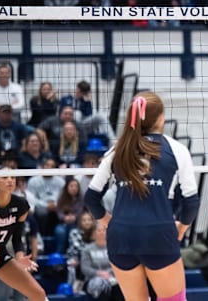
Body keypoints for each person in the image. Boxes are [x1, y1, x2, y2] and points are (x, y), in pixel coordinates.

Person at [84, 92, 200, 301]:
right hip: (158, 234)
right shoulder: (177, 150)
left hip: (121, 237)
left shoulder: (117, 150)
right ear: (160, 118)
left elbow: (91, 198)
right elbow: (191, 202)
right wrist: (181, 229)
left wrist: (110, 222)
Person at [0, 164, 46, 301]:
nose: (10, 180)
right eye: (4, 177)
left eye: (13, 177)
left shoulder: (21, 205)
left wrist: (19, 257)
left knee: (38, 294)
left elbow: (17, 238)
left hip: (0, 255)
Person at [80, 222, 124, 300]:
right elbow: (85, 268)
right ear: (93, 234)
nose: (101, 233)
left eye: (104, 230)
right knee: (102, 286)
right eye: (98, 230)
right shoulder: (86, 249)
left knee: (119, 287)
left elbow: (118, 264)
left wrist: (108, 273)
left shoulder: (114, 248)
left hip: (113, 277)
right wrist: (98, 273)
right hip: (93, 279)